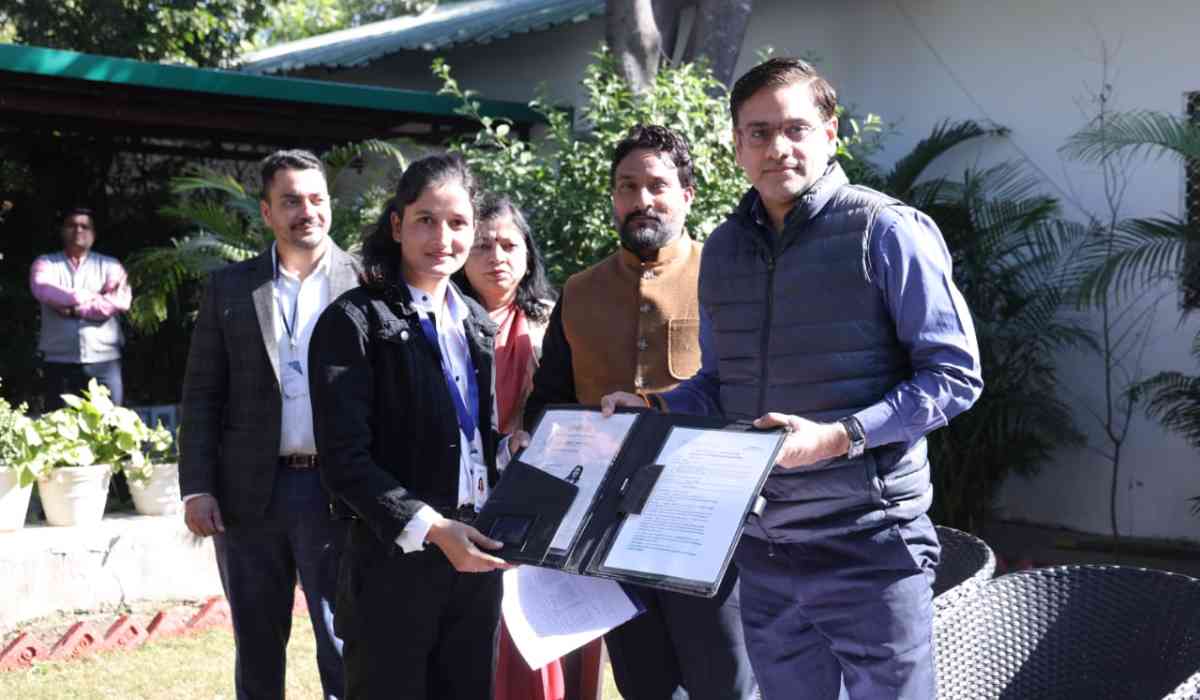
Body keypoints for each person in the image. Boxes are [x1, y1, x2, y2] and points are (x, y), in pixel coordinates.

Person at [602, 58, 985, 700]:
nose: (777, 147)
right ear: (736, 145)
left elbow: (954, 375)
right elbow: (720, 382)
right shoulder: (724, 249)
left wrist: (840, 437)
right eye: (758, 132)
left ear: (830, 134)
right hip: (764, 549)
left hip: (871, 547)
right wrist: (655, 408)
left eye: (796, 128)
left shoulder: (886, 230)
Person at [526, 124, 758, 700]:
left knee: (725, 684)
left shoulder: (727, 280)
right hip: (609, 530)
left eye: (657, 185)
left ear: (688, 194)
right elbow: (548, 404)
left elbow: (754, 391)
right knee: (643, 684)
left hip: (707, 524)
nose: (641, 200)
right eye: (627, 187)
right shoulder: (579, 291)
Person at [308, 154, 529, 700]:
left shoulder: (474, 322)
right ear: (396, 225)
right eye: (426, 220)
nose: (443, 238)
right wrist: (433, 529)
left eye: (458, 223)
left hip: (473, 559)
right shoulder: (354, 321)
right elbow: (344, 461)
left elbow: (467, 437)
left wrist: (511, 451)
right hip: (393, 568)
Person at [178, 149, 358, 700]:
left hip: (340, 492)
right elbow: (202, 394)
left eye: (317, 198)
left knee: (346, 642)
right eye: (291, 201)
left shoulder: (367, 281)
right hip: (249, 495)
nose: (307, 211)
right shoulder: (230, 288)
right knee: (256, 644)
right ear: (266, 211)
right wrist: (197, 487)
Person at [29, 207, 131, 409]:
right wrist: (92, 296)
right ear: (62, 231)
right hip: (59, 362)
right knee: (59, 427)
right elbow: (44, 290)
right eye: (72, 225)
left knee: (110, 424)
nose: (78, 230)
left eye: (85, 226)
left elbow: (120, 301)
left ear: (93, 233)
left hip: (104, 362)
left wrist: (75, 310)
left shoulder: (111, 265)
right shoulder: (45, 264)